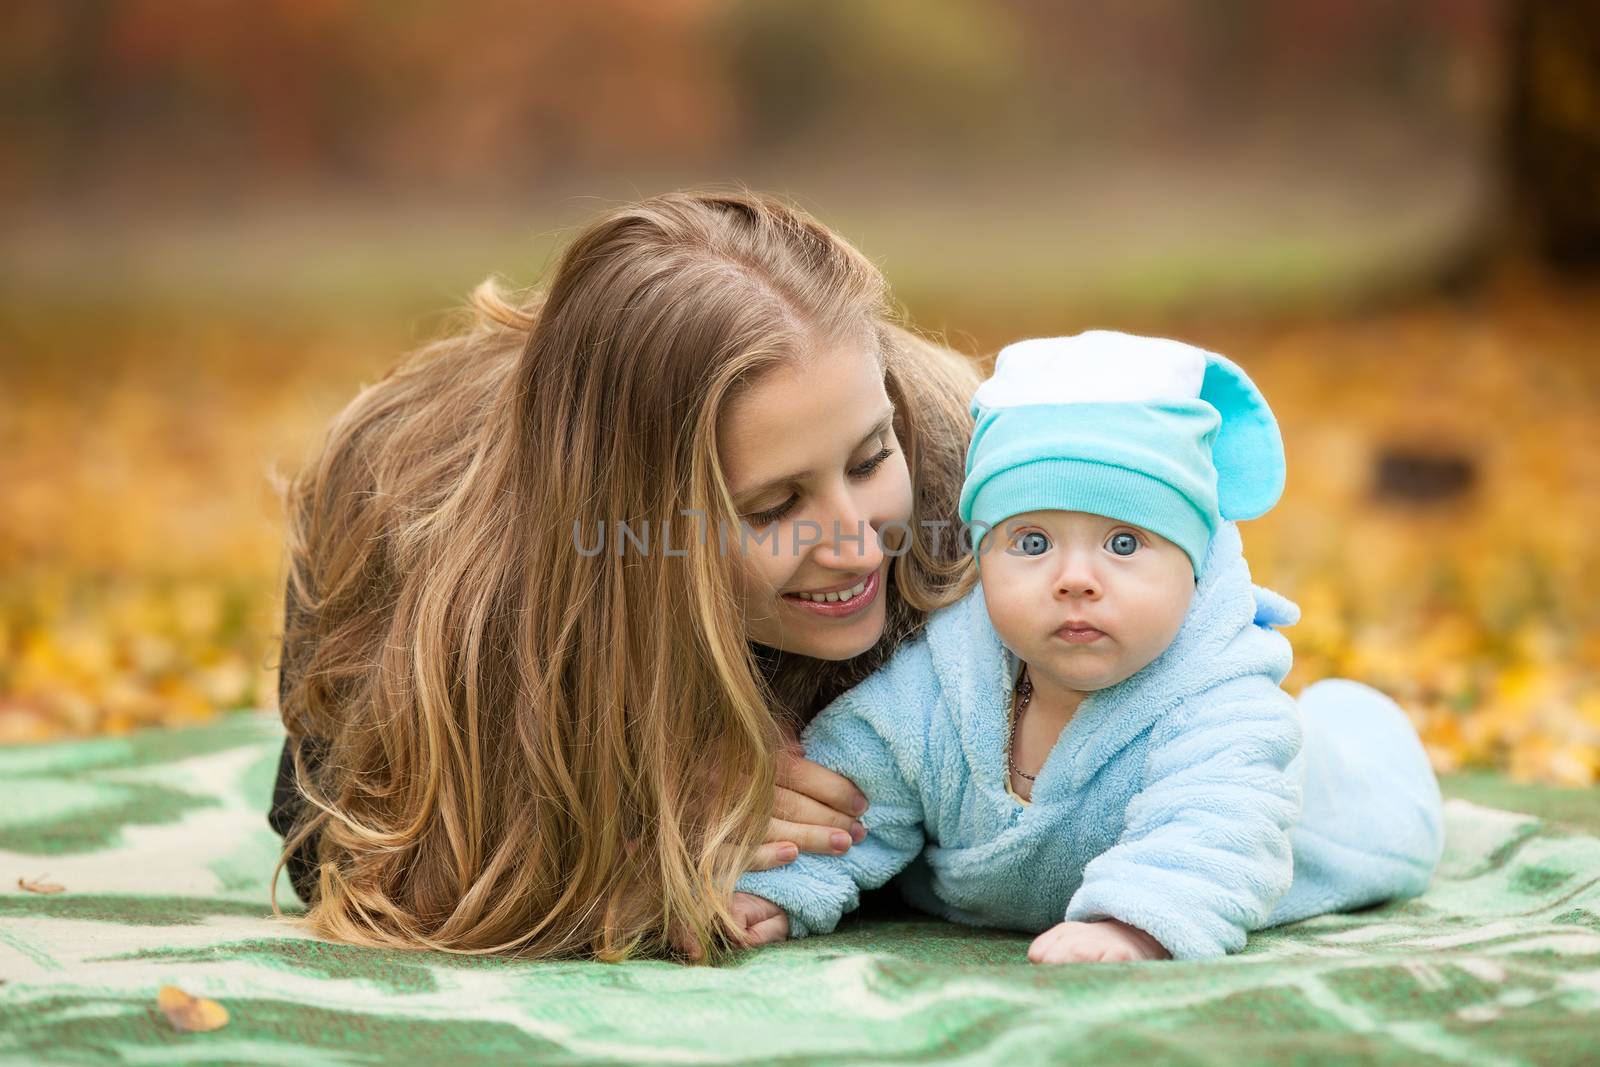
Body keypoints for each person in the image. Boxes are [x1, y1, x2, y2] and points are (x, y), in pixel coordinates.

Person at [266, 189, 983, 960]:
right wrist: (650, 815)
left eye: (871, 458)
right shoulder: (459, 600)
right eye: (774, 506)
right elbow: (333, 843)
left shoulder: (977, 473)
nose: (857, 547)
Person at [730, 330, 1447, 962]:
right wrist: (780, 889)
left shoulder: (1223, 703)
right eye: (1033, 542)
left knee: (1356, 750)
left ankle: (1364, 721)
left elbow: (1219, 826)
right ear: (984, 555)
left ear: (1192, 565)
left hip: (1343, 815)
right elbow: (854, 795)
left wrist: (1135, 921)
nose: (1076, 579)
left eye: (1125, 542)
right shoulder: (947, 680)